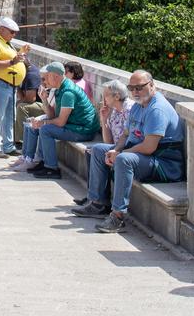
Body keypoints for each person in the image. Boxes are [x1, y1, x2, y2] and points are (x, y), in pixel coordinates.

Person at [72, 70, 183, 234]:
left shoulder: (157, 109)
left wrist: (120, 153)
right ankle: (98, 204)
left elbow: (149, 147)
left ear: (152, 85)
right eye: (132, 88)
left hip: (163, 163)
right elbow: (126, 134)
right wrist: (116, 149)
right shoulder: (138, 106)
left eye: (140, 87)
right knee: (97, 150)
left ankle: (117, 216)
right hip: (142, 154)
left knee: (123, 159)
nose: (135, 92)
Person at [23, 61, 99, 178]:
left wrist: (43, 123)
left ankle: (52, 169)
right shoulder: (59, 87)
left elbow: (60, 122)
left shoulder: (68, 92)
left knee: (45, 130)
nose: (44, 81)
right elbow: (53, 116)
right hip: (74, 125)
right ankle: (43, 163)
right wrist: (44, 100)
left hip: (83, 130)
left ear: (56, 76)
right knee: (42, 127)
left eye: (47, 77)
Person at [0, 17, 28, 157]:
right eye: (12, 32)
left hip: (10, 85)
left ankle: (8, 146)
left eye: (15, 33)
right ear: (2, 29)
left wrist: (21, 53)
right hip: (1, 84)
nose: (14, 35)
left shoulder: (7, 43)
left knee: (9, 117)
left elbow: (12, 59)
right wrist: (13, 61)